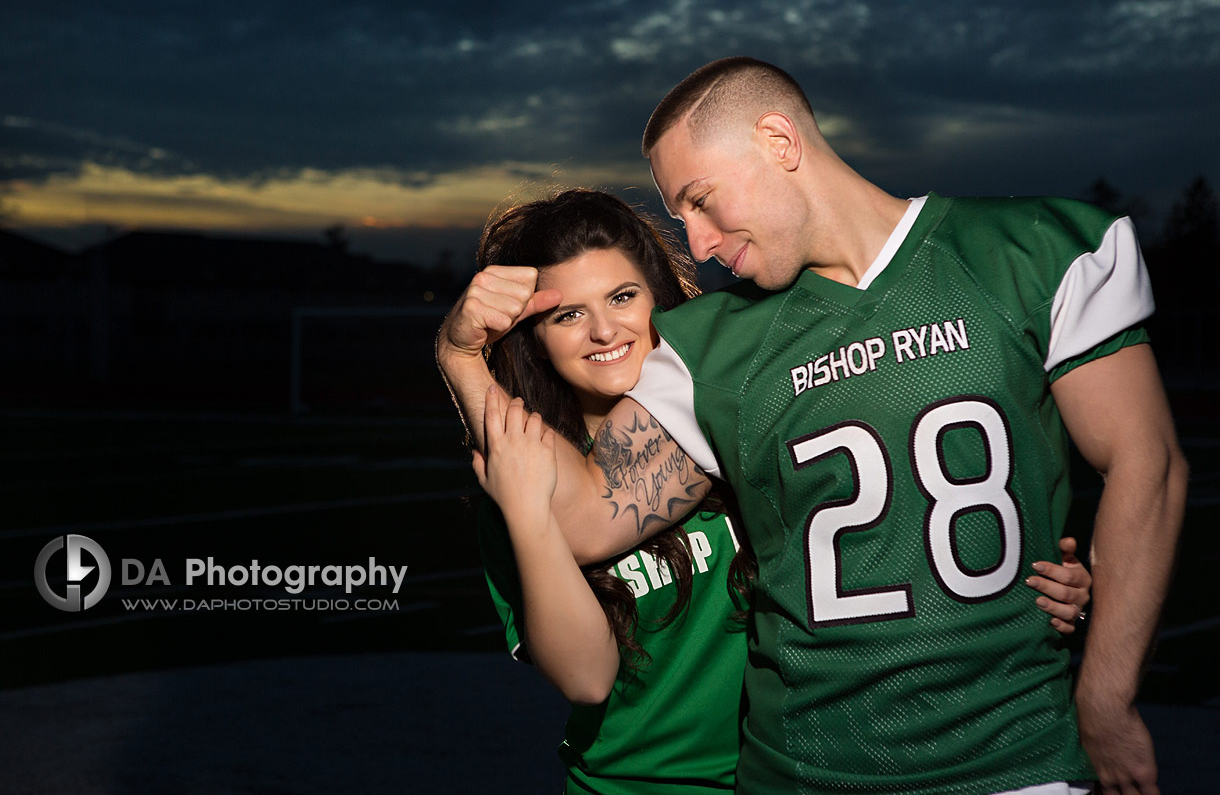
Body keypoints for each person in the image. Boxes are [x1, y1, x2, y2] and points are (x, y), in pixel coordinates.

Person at [439, 59, 1187, 795]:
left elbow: (1144, 464)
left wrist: (1105, 693)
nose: (696, 244)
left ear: (778, 140)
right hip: (803, 770)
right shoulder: (711, 348)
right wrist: (460, 355)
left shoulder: (1035, 250)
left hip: (1015, 757)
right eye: (680, 218)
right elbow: (575, 514)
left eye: (701, 201)